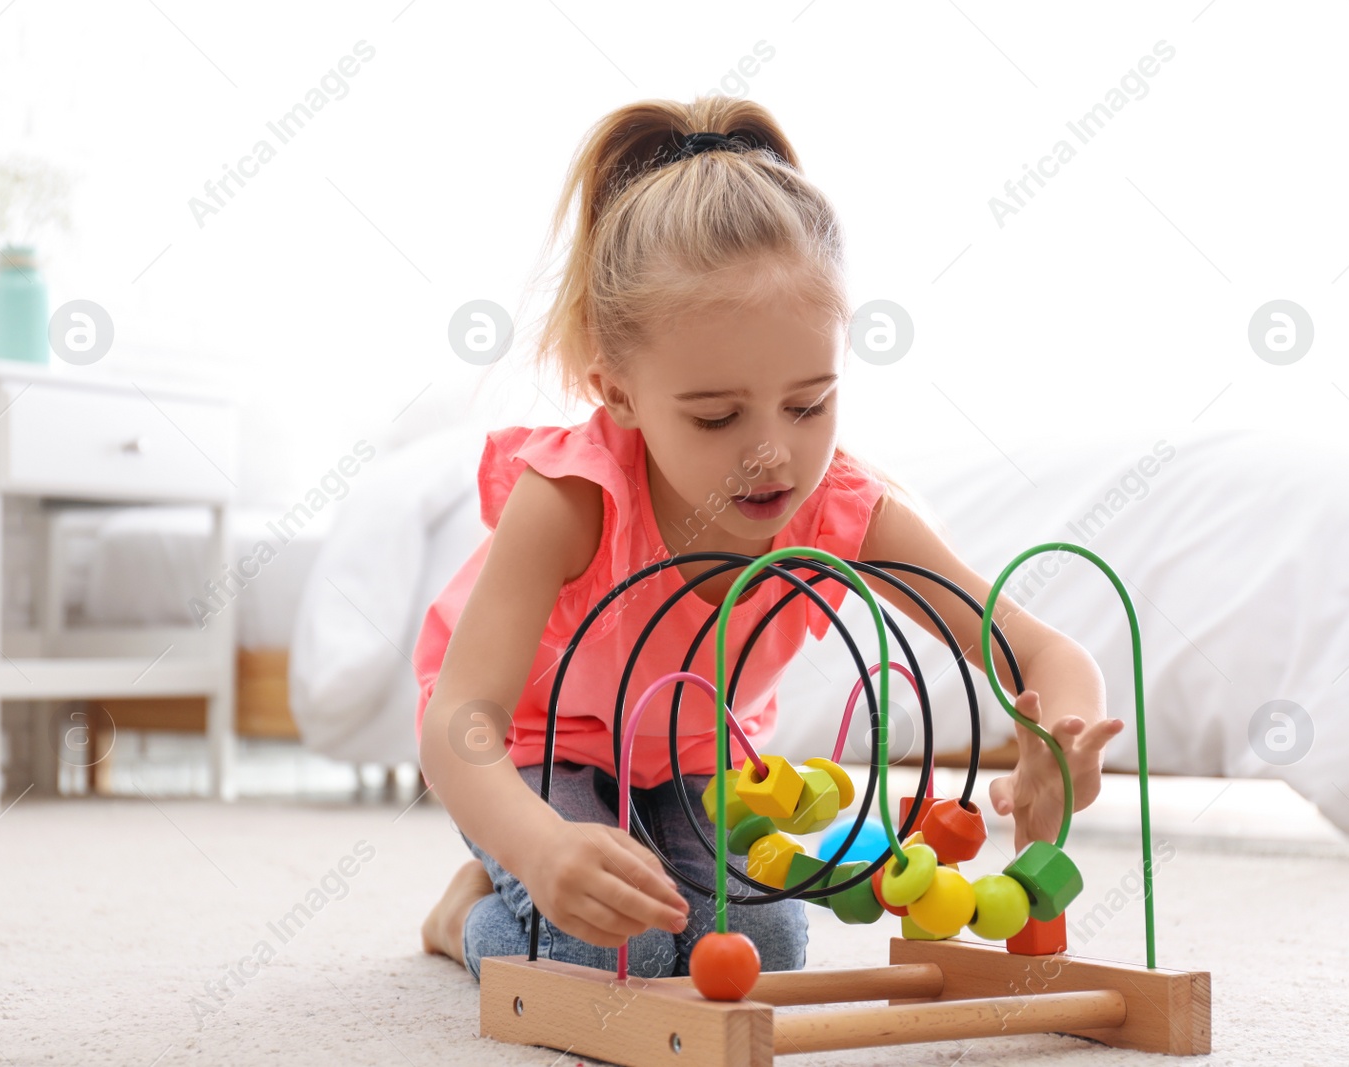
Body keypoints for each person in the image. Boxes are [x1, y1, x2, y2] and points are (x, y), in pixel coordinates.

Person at [414, 96, 1123, 982]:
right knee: (597, 955)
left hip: (692, 754)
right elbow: (457, 724)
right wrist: (540, 846)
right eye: (716, 416)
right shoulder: (571, 498)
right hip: (534, 744)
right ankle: (469, 909)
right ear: (619, 392)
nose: (772, 455)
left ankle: (546, 871)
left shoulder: (844, 510)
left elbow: (1034, 647)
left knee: (765, 951)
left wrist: (1057, 743)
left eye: (808, 404)